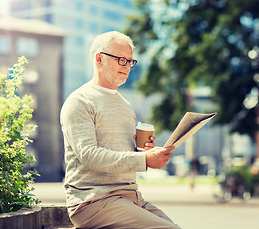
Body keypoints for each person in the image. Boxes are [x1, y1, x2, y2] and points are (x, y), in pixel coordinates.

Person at [60, 31, 182, 229]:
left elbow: (121, 155)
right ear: (99, 59)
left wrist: (144, 152)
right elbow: (89, 155)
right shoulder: (79, 101)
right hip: (93, 202)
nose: (127, 67)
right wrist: (143, 160)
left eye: (130, 61)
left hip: (130, 198)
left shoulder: (125, 106)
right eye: (121, 60)